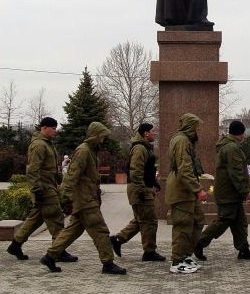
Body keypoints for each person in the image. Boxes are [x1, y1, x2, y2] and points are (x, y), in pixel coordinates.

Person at [40, 122, 126, 274]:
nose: (103, 140)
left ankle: (50, 256)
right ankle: (108, 263)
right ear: (95, 136)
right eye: (102, 137)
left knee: (73, 230)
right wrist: (65, 197)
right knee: (100, 230)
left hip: (86, 197)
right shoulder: (83, 151)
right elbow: (72, 175)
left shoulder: (91, 150)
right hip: (85, 199)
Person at [7, 117, 77, 263]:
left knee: (36, 218)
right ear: (44, 128)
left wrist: (57, 179)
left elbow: (49, 167)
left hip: (48, 186)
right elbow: (32, 170)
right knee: (56, 217)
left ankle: (16, 244)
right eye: (53, 128)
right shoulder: (39, 145)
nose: (55, 131)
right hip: (44, 188)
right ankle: (59, 250)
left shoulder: (47, 144)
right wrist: (37, 190)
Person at [194, 120, 250, 261]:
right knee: (224, 221)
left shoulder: (229, 146)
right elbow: (236, 172)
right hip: (229, 192)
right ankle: (199, 242)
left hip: (231, 192)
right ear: (240, 133)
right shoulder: (232, 148)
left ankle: (243, 249)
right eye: (243, 133)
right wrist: (244, 190)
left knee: (240, 222)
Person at [110, 123, 165, 262]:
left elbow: (147, 170)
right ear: (146, 133)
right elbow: (135, 171)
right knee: (150, 221)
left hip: (142, 188)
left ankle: (118, 239)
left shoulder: (145, 147)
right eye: (153, 131)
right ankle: (149, 252)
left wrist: (154, 183)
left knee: (141, 219)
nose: (155, 133)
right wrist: (142, 189)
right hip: (140, 189)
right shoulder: (140, 148)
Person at [166, 113, 208, 273]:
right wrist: (198, 189)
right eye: (196, 127)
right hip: (181, 190)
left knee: (198, 221)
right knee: (182, 225)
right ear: (190, 127)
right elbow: (184, 169)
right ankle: (177, 261)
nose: (198, 130)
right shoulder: (182, 141)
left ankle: (185, 255)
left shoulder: (184, 140)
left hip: (186, 189)